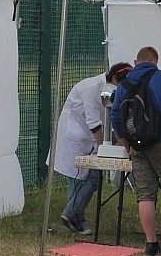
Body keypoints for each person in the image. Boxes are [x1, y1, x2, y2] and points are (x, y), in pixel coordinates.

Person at [110, 46, 161, 256]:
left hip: (138, 145)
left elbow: (116, 118)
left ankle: (151, 243)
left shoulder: (124, 83)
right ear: (156, 61)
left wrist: (126, 144)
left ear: (136, 61)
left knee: (145, 193)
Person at [54, 62, 133, 235]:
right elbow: (94, 123)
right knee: (83, 179)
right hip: (75, 138)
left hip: (88, 139)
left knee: (87, 179)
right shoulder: (90, 88)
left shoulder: (107, 89)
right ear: (113, 79)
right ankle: (72, 215)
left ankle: (75, 219)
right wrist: (103, 148)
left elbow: (113, 117)